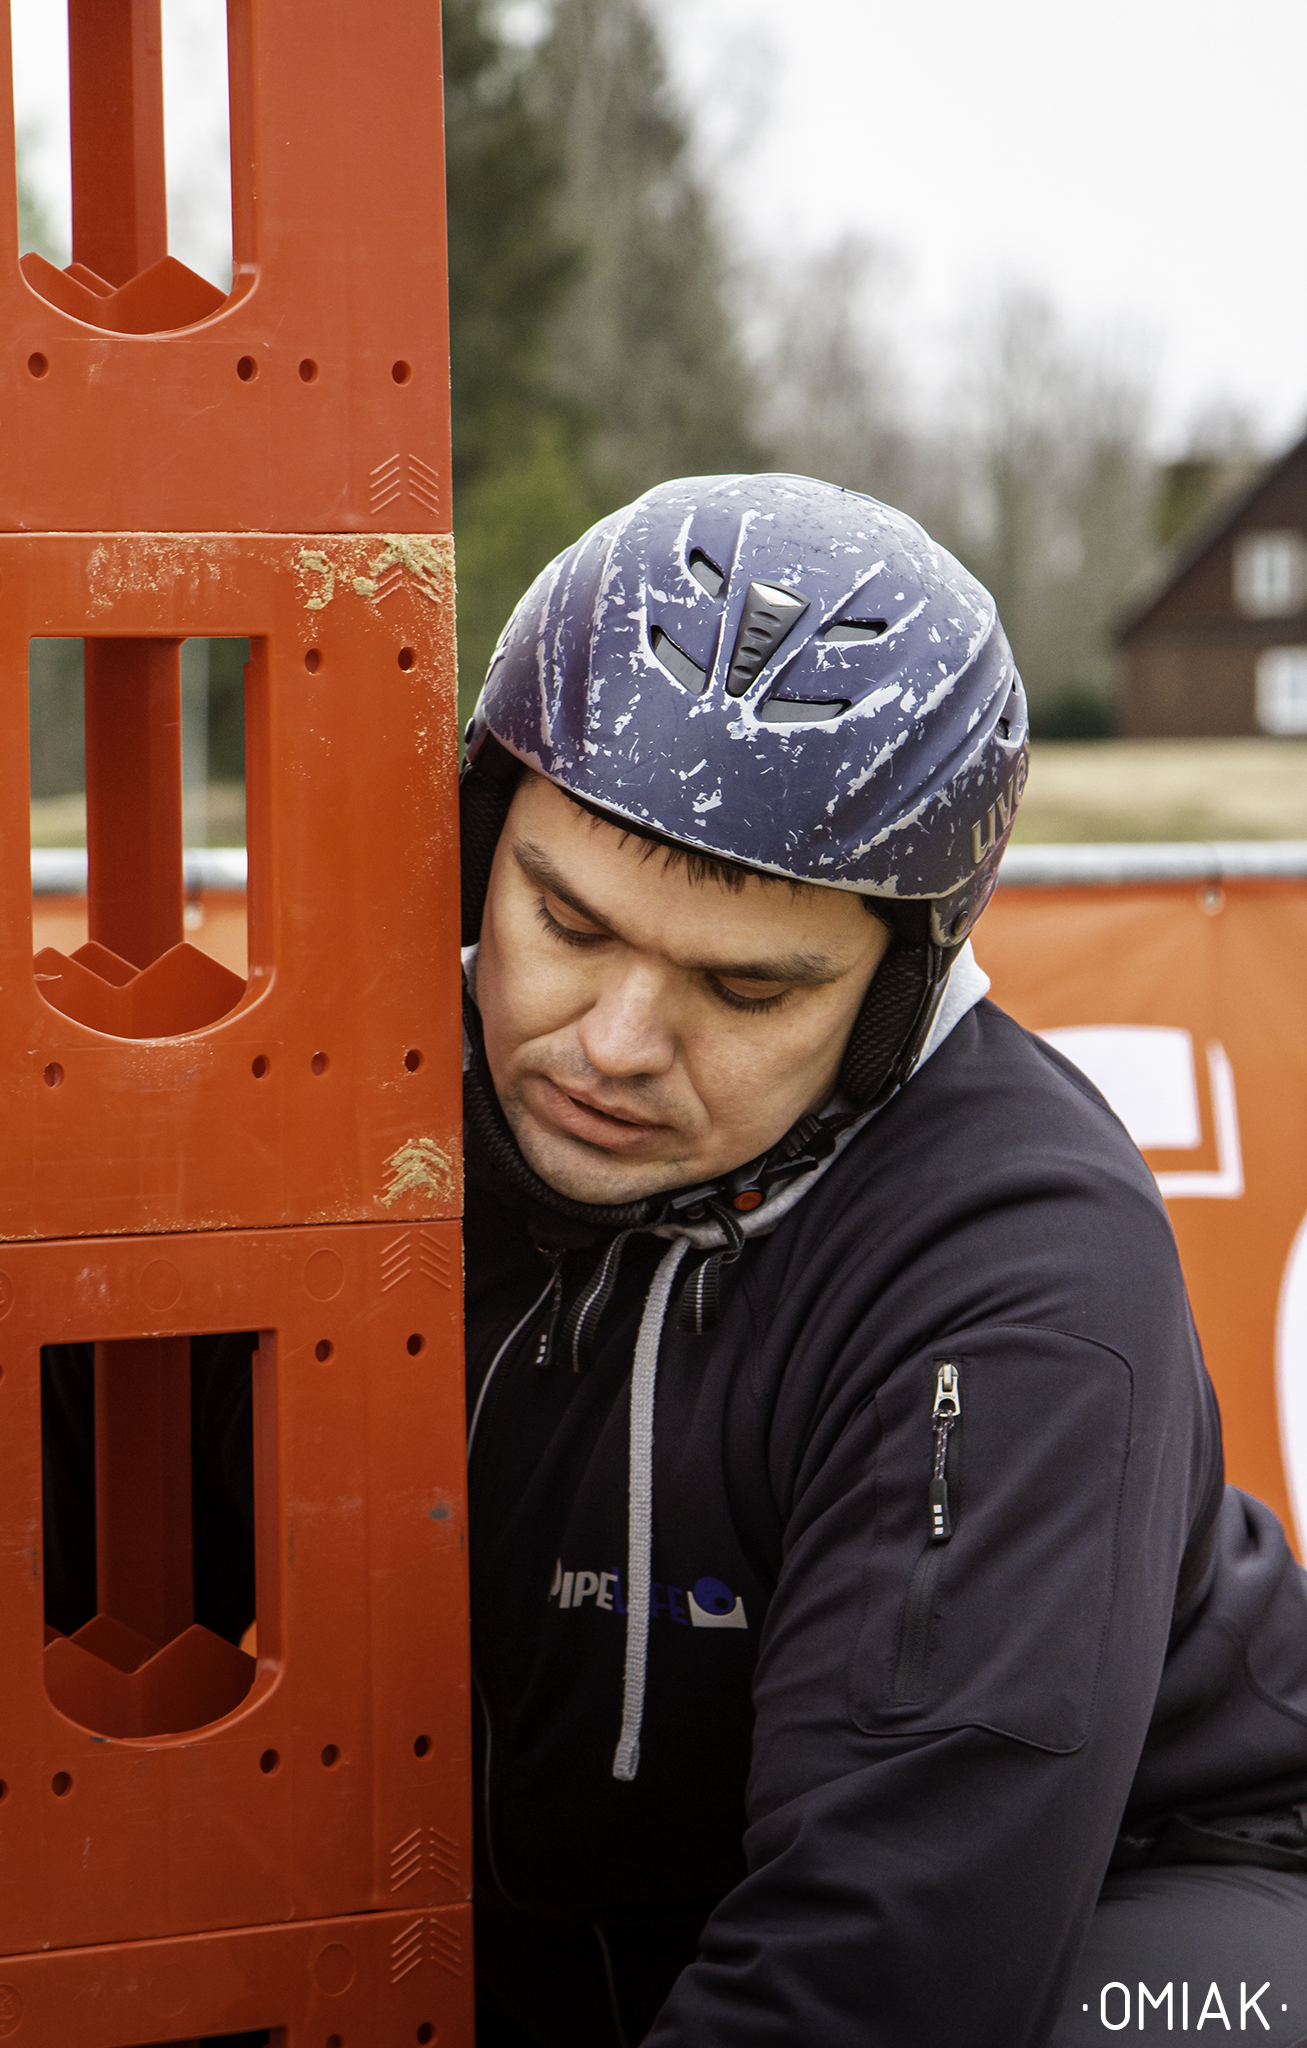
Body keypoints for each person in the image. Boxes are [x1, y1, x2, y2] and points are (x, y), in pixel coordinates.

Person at [459, 473, 1307, 2046]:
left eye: (747, 990)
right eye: (567, 925)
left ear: (897, 994)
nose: (618, 1044)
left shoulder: (1022, 1265)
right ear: (473, 849)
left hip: (1159, 1878)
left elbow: (888, 1971)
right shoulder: (317, 1109)